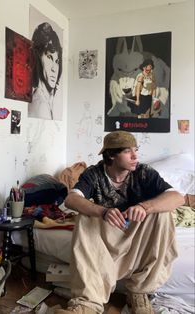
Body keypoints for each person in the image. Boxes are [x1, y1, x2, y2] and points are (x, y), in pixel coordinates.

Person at [55, 131, 184, 314]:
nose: (135, 156)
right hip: (107, 233)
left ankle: (139, 293)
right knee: (85, 216)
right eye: (127, 151)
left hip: (138, 233)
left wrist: (144, 207)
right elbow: (71, 200)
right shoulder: (94, 173)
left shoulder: (143, 172)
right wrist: (103, 211)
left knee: (162, 213)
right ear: (111, 155)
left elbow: (177, 197)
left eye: (136, 150)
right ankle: (88, 303)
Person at [28, 22, 62, 120]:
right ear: (38, 58)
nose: (53, 68)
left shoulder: (47, 101)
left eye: (57, 61)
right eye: (49, 57)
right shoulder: (40, 104)